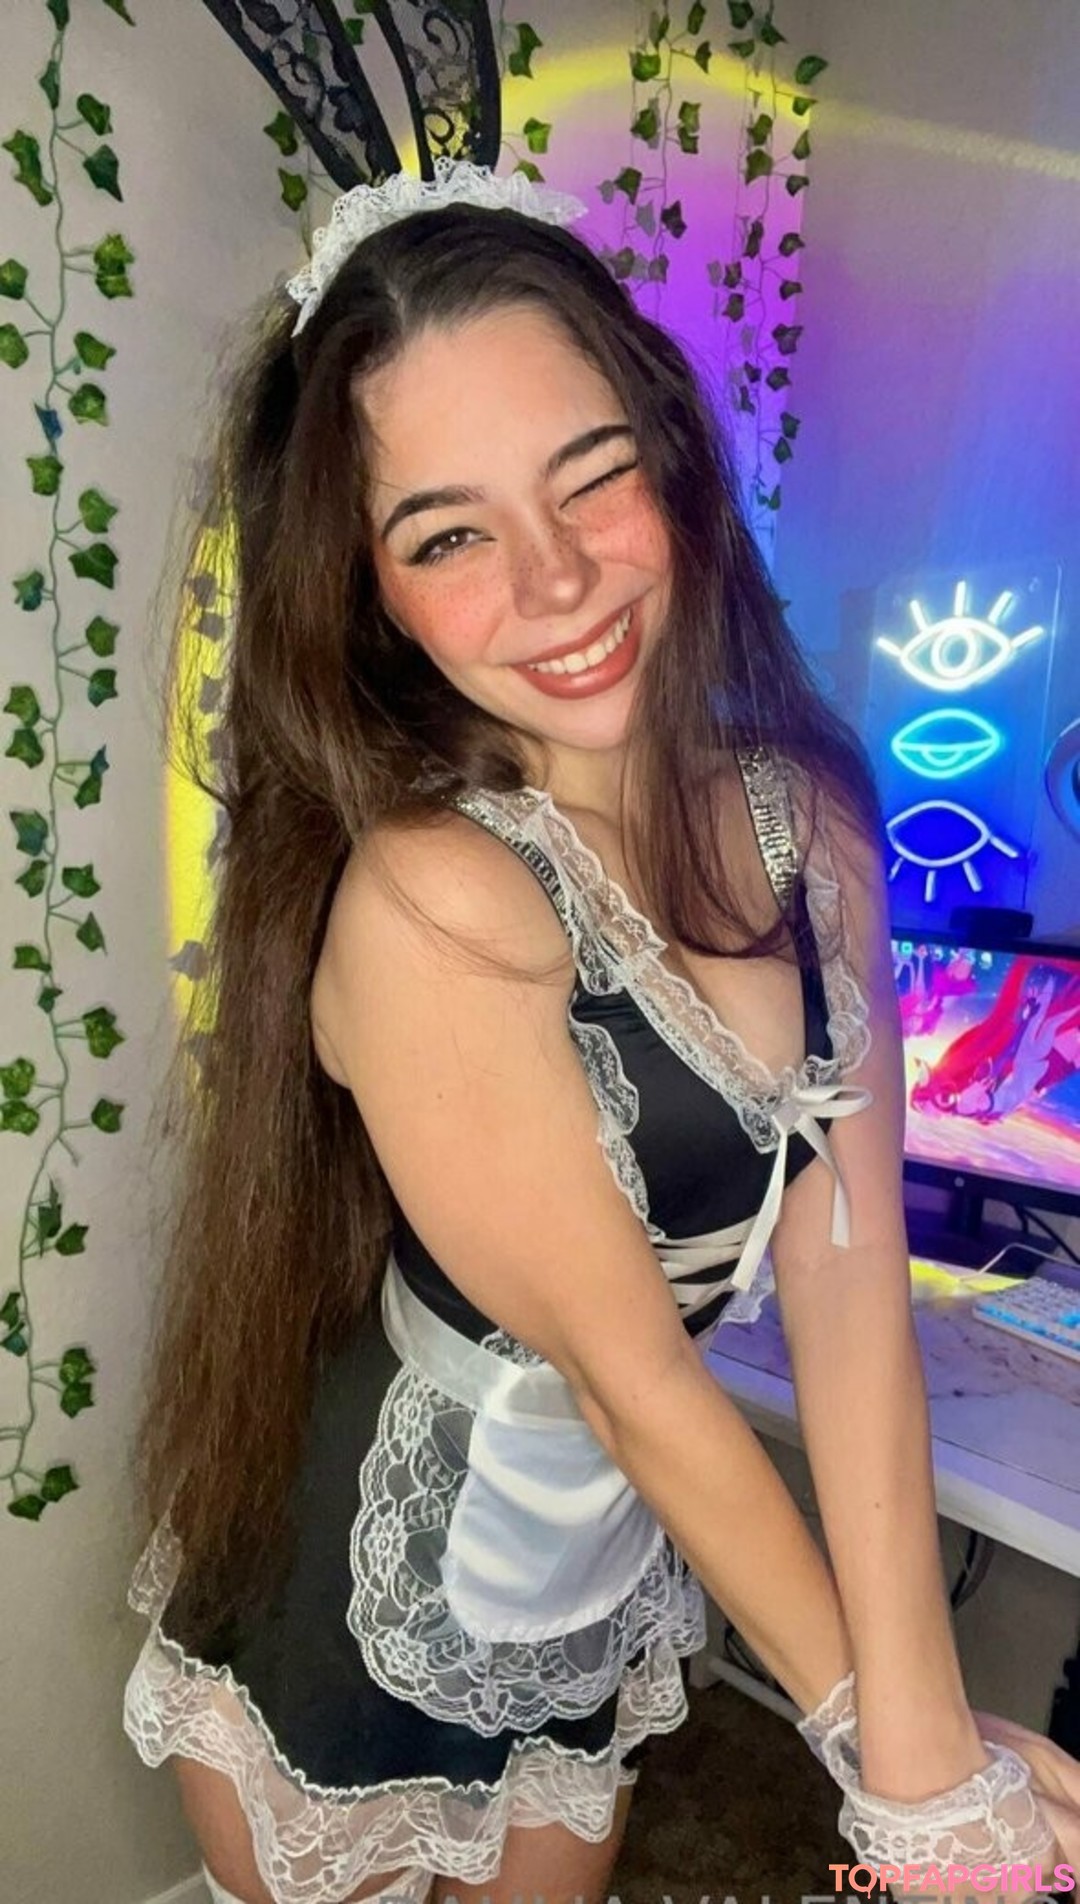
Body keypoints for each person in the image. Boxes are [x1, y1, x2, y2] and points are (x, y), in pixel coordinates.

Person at [122, 160, 1080, 1904]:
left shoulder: (812, 818)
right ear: (369, 591)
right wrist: (909, 1776)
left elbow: (849, 1289)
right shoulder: (434, 900)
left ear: (674, 461)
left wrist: (924, 1742)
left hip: (597, 1564)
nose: (555, 579)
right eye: (450, 536)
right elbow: (636, 1380)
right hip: (356, 1579)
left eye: (592, 478)